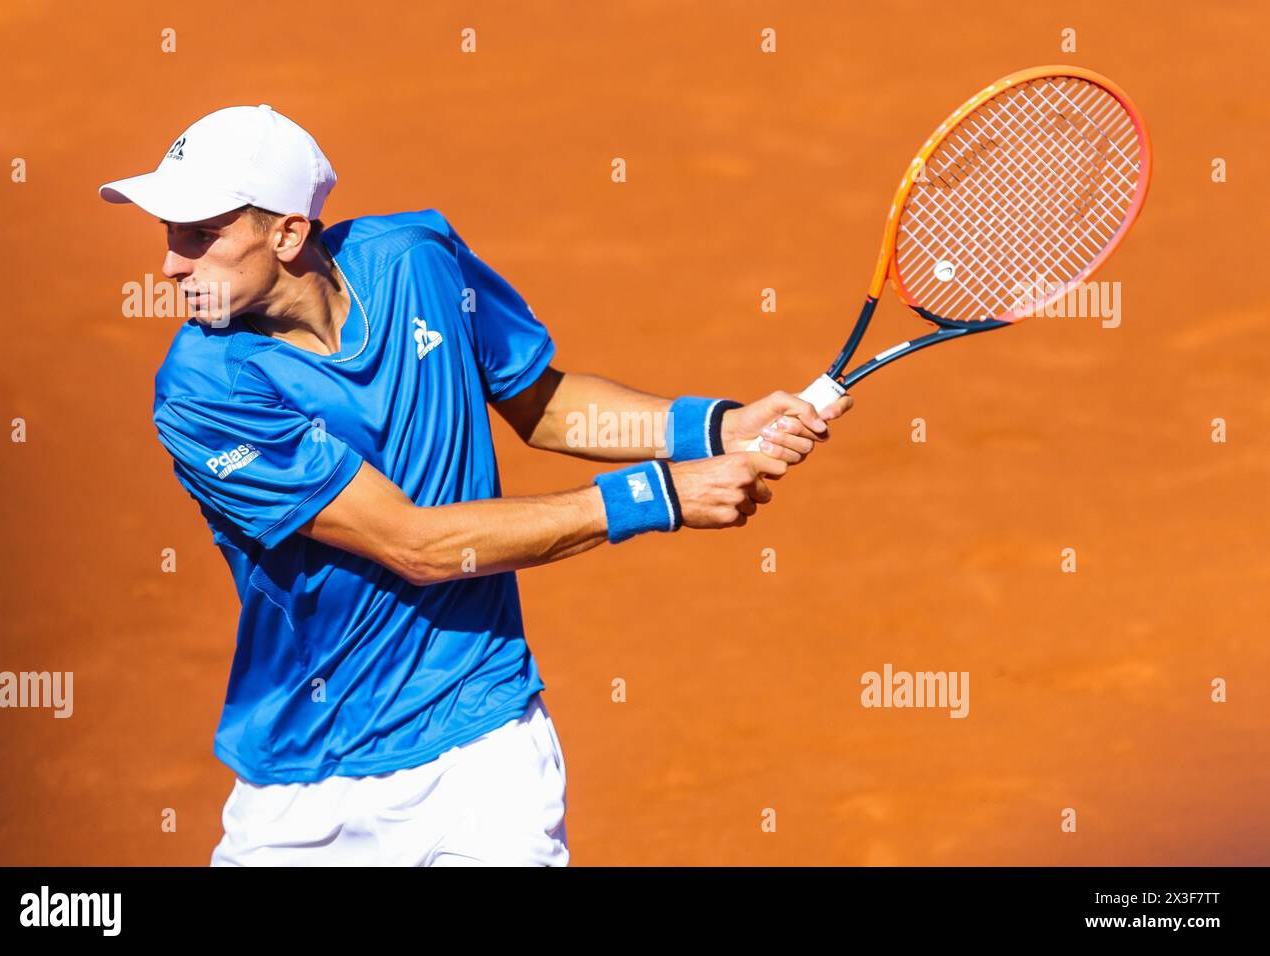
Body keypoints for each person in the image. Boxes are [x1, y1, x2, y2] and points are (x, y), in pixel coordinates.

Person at [99, 104, 853, 866]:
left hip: (481, 746)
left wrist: (712, 427)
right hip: (304, 788)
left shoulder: (419, 258)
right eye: (170, 236)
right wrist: (659, 496)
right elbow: (415, 544)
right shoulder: (204, 391)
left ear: (289, 234)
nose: (171, 266)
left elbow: (543, 404)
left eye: (201, 236)